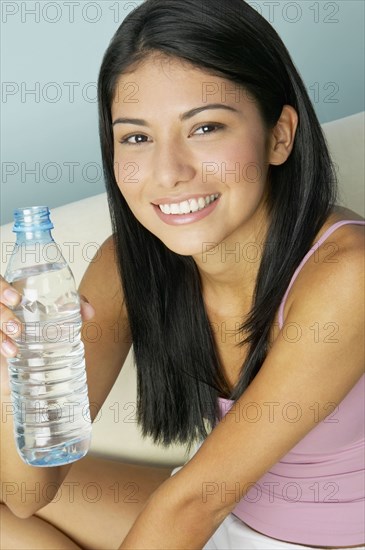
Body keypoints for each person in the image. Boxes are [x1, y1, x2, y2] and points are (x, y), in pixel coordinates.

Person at [1, 0, 364, 548]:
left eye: (206, 127)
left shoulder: (349, 273)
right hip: (223, 518)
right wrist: (17, 361)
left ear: (279, 136)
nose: (169, 172)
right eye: (137, 137)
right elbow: (26, 494)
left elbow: (192, 503)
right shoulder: (130, 261)